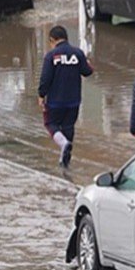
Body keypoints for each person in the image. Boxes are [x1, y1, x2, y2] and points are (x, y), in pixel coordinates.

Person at [37, 25, 93, 168]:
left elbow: (45, 79)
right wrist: (89, 64)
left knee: (50, 124)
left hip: (55, 101)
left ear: (52, 40)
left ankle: (63, 144)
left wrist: (41, 95)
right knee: (68, 127)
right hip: (74, 101)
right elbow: (87, 72)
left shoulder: (51, 56)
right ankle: (66, 160)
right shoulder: (78, 53)